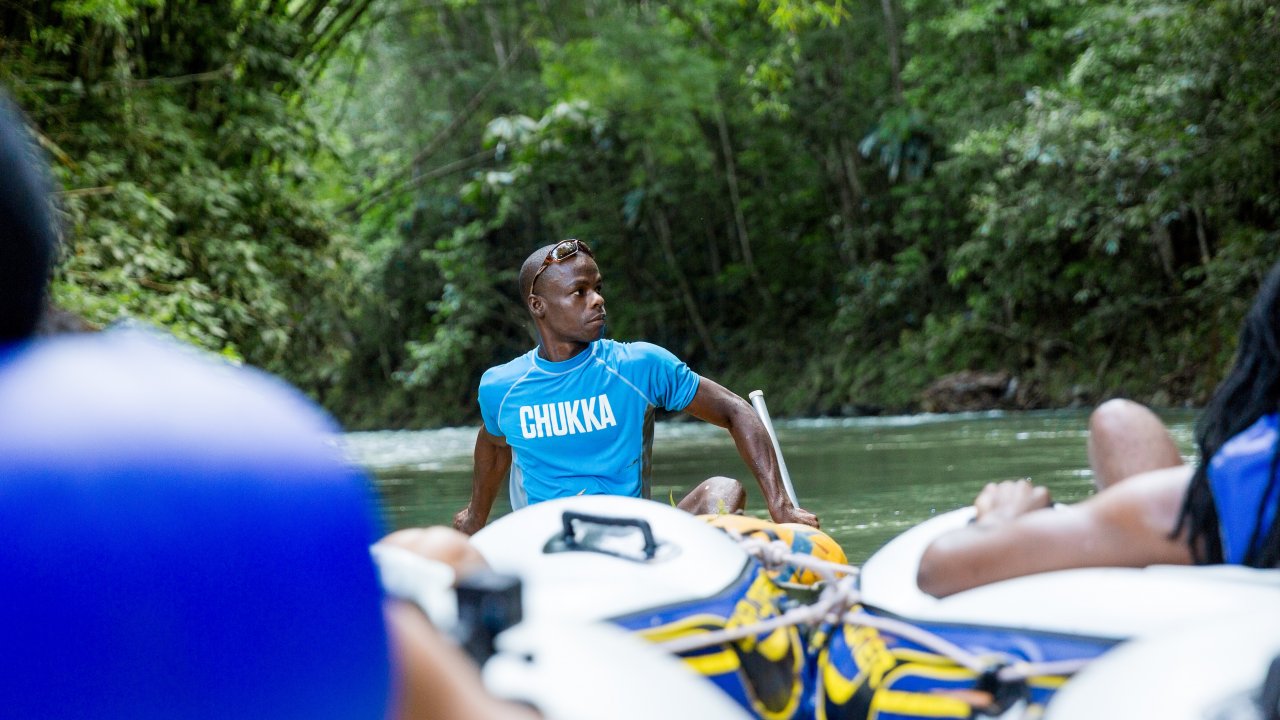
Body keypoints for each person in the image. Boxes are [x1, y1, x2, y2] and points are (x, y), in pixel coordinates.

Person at [917, 260, 1280, 597]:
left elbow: (943, 567)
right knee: (1119, 423)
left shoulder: (1251, 482)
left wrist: (1001, 518)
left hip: (1214, 535)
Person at [453, 238, 818, 535]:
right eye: (579, 292)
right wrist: (475, 517)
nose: (598, 299)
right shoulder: (502, 387)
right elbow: (494, 445)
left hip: (635, 537)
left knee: (724, 490)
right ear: (538, 306)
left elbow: (735, 410)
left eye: (597, 288)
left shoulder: (639, 366)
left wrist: (780, 505)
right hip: (549, 545)